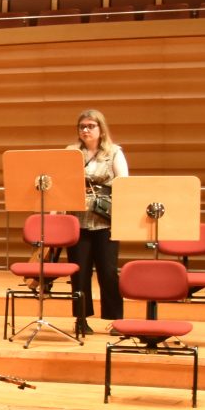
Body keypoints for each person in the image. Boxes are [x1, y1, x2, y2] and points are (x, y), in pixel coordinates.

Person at [67, 108, 127, 337]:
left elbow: (124, 184)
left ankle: (116, 320)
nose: (86, 130)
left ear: (101, 129)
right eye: (82, 126)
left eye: (91, 126)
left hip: (106, 221)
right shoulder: (71, 153)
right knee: (79, 273)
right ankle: (81, 320)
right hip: (77, 221)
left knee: (108, 272)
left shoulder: (114, 153)